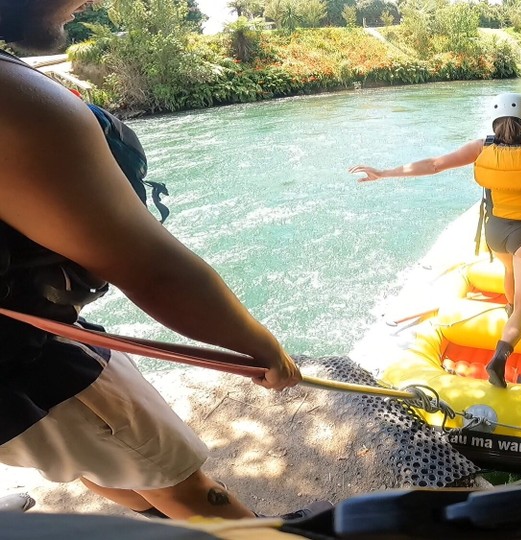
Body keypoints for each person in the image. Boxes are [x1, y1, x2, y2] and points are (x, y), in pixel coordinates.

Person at [0, 0, 313, 521]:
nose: (92, 3)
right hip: (29, 365)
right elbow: (154, 270)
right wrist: (261, 347)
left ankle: (165, 522)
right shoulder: (17, 103)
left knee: (98, 461)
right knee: (181, 481)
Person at [349, 64, 521, 388]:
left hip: (495, 233)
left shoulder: (480, 147)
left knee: (510, 270)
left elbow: (434, 164)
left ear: (494, 121)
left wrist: (383, 172)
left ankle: (509, 306)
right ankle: (500, 355)